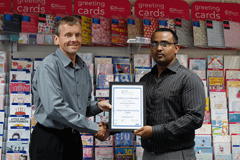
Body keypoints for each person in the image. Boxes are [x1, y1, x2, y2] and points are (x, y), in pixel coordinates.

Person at [29, 16, 112, 160]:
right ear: (56, 39)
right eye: (68, 35)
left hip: (73, 139)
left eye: (77, 35)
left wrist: (98, 106)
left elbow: (81, 107)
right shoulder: (49, 66)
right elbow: (55, 108)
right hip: (50, 140)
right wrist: (93, 128)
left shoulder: (82, 67)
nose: (74, 39)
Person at [133, 28, 205, 160]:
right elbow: (136, 114)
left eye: (165, 44)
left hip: (176, 154)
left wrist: (155, 131)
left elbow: (195, 118)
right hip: (148, 154)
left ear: (176, 48)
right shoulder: (145, 79)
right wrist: (111, 127)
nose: (159, 48)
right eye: (154, 44)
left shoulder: (188, 78)